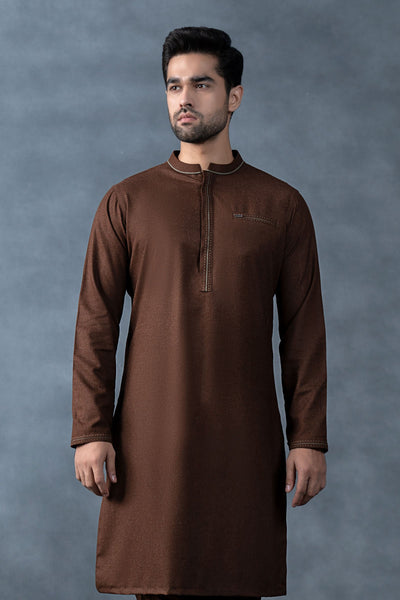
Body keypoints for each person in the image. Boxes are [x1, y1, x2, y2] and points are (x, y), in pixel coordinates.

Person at [71, 26, 328, 599]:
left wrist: (308, 438)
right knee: (155, 580)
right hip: (148, 443)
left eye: (201, 84)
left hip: (245, 443)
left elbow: (304, 332)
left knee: (237, 579)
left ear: (234, 96)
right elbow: (95, 324)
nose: (184, 98)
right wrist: (90, 430)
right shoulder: (127, 201)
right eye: (174, 86)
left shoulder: (281, 205)